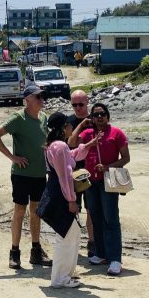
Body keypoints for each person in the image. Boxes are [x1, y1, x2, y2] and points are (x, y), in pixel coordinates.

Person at [0, 84, 52, 270]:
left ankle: (36, 252)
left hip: (39, 174)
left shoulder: (43, 117)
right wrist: (13, 157)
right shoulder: (19, 118)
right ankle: (14, 252)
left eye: (42, 96)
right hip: (21, 174)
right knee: (20, 211)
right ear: (27, 99)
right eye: (38, 96)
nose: (41, 99)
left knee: (36, 212)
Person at [40, 112, 98, 287]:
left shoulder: (56, 145)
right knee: (66, 238)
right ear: (64, 127)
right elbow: (65, 176)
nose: (72, 127)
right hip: (62, 196)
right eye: (69, 124)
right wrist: (71, 200)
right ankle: (60, 278)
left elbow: (71, 156)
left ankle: (64, 276)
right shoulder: (59, 146)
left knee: (70, 236)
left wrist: (87, 145)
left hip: (58, 193)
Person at [78, 103, 130, 275]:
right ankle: (101, 254)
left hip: (108, 181)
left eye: (102, 114)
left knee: (111, 219)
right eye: (96, 115)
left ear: (108, 116)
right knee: (96, 218)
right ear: (92, 118)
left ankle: (115, 258)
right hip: (91, 183)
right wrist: (82, 124)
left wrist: (108, 167)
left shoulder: (117, 133)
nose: (99, 117)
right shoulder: (87, 134)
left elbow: (126, 158)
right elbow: (71, 142)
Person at [66, 90, 95, 252]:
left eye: (81, 104)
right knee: (73, 209)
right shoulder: (68, 122)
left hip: (91, 171)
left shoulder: (96, 119)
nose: (77, 108)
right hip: (74, 172)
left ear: (87, 102)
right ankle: (73, 243)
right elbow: (69, 144)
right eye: (74, 105)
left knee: (91, 209)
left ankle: (92, 242)